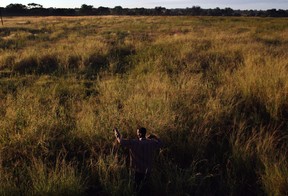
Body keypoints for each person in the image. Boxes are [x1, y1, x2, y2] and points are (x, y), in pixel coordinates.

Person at [113, 127, 163, 194]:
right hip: (147, 171)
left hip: (137, 171)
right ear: (145, 133)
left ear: (139, 134)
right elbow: (161, 144)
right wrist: (154, 136)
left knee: (136, 189)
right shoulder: (151, 143)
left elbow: (120, 140)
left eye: (137, 132)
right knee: (146, 189)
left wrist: (116, 131)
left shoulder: (133, 142)